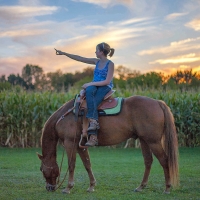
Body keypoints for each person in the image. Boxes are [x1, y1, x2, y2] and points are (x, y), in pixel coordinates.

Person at [55, 42, 115, 146]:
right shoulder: (96, 61)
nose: (95, 52)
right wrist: (64, 53)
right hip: (94, 85)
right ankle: (92, 123)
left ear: (101, 52)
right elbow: (80, 58)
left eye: (96, 50)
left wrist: (90, 83)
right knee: (88, 92)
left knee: (94, 102)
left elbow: (107, 81)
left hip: (105, 87)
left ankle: (93, 134)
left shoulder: (110, 64)